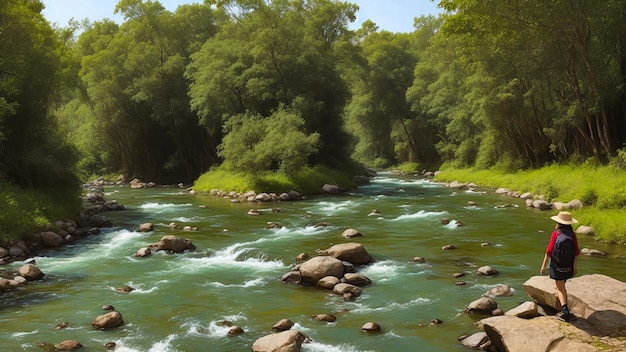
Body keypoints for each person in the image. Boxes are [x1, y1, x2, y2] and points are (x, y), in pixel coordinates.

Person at [540, 211, 580, 322]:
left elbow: (548, 251)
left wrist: (543, 266)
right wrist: (575, 267)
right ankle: (565, 308)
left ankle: (565, 312)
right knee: (562, 286)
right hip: (569, 266)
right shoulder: (572, 234)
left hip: (556, 265)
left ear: (559, 223)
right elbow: (576, 252)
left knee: (560, 288)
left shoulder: (556, 233)